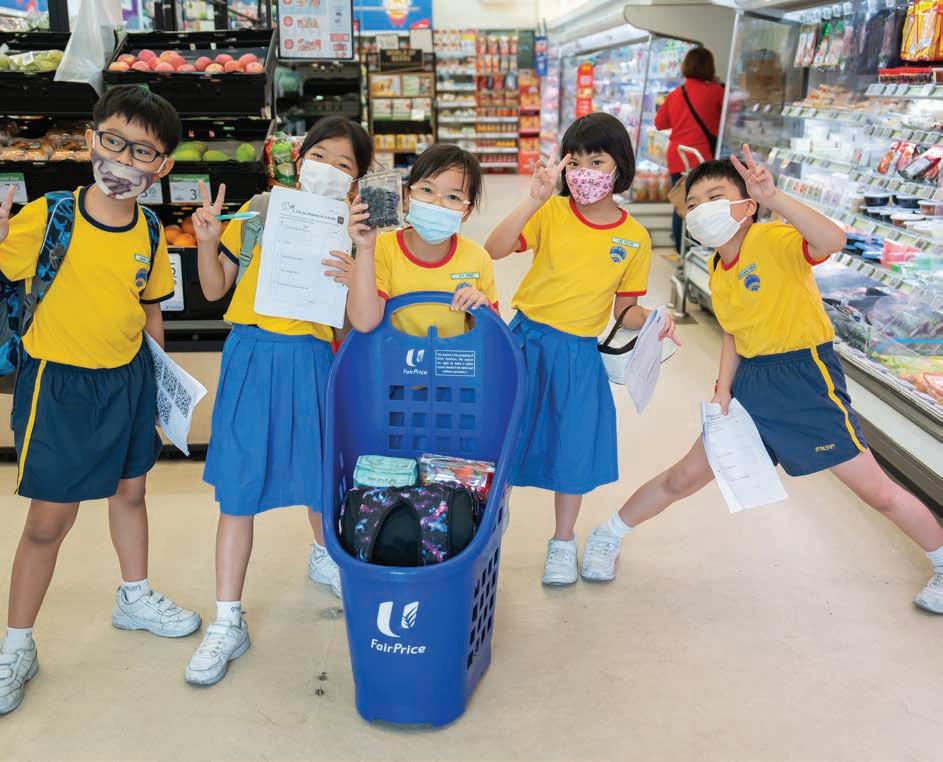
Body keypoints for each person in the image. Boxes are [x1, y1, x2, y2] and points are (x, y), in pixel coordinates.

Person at [581, 148, 943, 616]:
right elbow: (735, 332)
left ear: (747, 205)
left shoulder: (773, 239)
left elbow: (832, 239)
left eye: (716, 197)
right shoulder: (717, 267)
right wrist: (722, 391)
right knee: (685, 476)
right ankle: (608, 534)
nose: (703, 209)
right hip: (750, 384)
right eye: (694, 204)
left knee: (876, 491)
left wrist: (776, 198)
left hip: (806, 380)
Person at [0, 86, 201, 715]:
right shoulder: (48, 216)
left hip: (129, 379)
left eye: (143, 151)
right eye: (114, 142)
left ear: (162, 166)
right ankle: (16, 644)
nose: (124, 160)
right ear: (91, 139)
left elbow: (149, 306)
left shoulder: (150, 229)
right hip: (58, 385)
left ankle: (134, 595)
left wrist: (162, 382)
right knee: (48, 523)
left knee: (131, 493)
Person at [185, 116, 373, 687]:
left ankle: (326, 556)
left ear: (357, 182)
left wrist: (358, 266)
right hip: (251, 356)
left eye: (344, 164)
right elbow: (215, 287)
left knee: (320, 482)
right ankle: (227, 619)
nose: (329, 168)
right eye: (320, 155)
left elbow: (356, 324)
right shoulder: (262, 211)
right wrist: (208, 243)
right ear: (298, 157)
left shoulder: (355, 232)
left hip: (312, 361)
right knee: (238, 493)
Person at [485, 112, 677, 586]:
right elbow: (494, 248)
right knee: (504, 438)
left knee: (571, 447)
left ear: (619, 167)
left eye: (597, 161)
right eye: (575, 162)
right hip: (525, 341)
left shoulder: (634, 238)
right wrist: (533, 200)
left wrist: (653, 319)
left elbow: (624, 311)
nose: (584, 172)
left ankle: (562, 541)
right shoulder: (551, 213)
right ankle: (488, 525)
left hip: (577, 355)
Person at [337, 143, 496, 336]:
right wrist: (365, 248)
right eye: (427, 190)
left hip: (452, 355)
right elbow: (364, 322)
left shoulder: (478, 258)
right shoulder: (383, 247)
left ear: (467, 212)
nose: (437, 203)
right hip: (395, 353)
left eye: (453, 197)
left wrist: (481, 308)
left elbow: (494, 334)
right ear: (407, 196)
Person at [654, 46, 724, 253]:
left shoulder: (676, 94)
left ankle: (681, 250)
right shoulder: (716, 91)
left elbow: (660, 123)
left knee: (682, 204)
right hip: (702, 159)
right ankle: (701, 251)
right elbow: (731, 119)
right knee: (705, 205)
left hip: (678, 157)